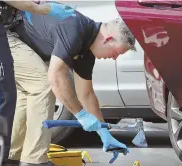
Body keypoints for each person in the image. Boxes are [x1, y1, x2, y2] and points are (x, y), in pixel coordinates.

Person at [7, 3, 136, 166]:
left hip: (18, 41)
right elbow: (56, 77)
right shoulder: (75, 29)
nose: (115, 57)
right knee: (43, 85)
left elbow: (86, 95)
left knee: (29, 94)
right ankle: (34, 160)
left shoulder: (87, 50)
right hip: (6, 36)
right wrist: (81, 115)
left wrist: (104, 133)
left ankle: (10, 156)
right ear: (108, 39)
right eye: (117, 52)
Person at [0, 1, 76, 166]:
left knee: (9, 95)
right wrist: (41, 8)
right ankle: (2, 158)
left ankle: (9, 156)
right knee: (2, 96)